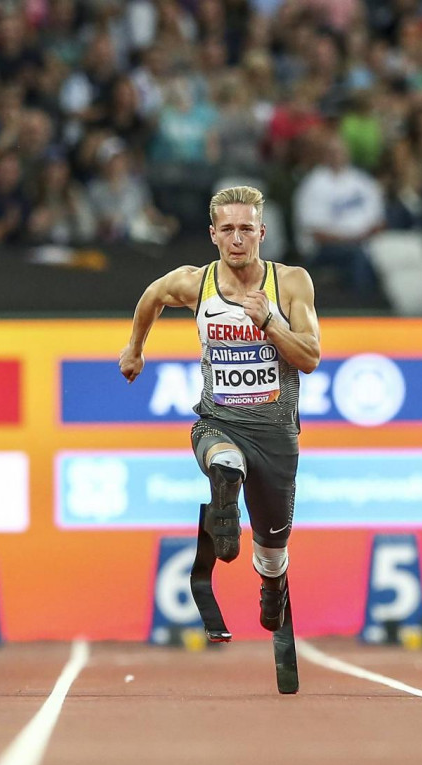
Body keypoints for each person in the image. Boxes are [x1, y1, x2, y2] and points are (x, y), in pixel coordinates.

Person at [119, 185, 321, 639]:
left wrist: (268, 322)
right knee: (223, 460)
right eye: (227, 229)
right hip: (219, 420)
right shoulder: (197, 283)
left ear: (262, 233)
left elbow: (310, 357)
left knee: (273, 550)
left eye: (246, 229)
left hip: (275, 433)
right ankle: (225, 507)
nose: (237, 239)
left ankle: (272, 583)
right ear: (213, 234)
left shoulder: (290, 283)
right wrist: (135, 349)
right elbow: (153, 295)